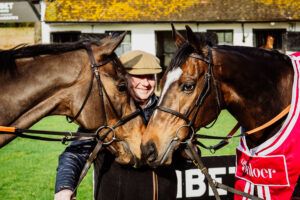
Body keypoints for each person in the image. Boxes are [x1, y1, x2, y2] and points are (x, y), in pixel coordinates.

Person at [54, 50, 178, 200]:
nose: (145, 83)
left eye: (150, 77)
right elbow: (76, 153)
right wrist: (64, 187)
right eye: (138, 76)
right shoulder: (104, 114)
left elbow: (183, 159)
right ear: (123, 77)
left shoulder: (171, 114)